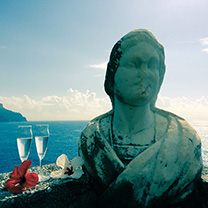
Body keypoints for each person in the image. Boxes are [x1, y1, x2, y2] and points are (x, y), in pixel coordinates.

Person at [79, 29, 203, 207]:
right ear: (113, 73)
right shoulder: (92, 137)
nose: (145, 73)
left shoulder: (185, 139)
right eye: (134, 64)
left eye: (152, 65)